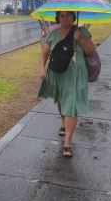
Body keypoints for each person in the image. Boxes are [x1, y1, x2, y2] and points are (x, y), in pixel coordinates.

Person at [38, 11, 96, 158]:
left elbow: (91, 51)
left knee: (71, 105)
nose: (65, 18)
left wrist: (80, 39)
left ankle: (67, 143)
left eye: (68, 15)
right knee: (62, 100)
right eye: (62, 16)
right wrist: (41, 69)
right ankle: (63, 122)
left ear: (73, 17)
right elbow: (44, 53)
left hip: (76, 75)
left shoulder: (81, 31)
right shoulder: (52, 34)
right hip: (57, 73)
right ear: (58, 18)